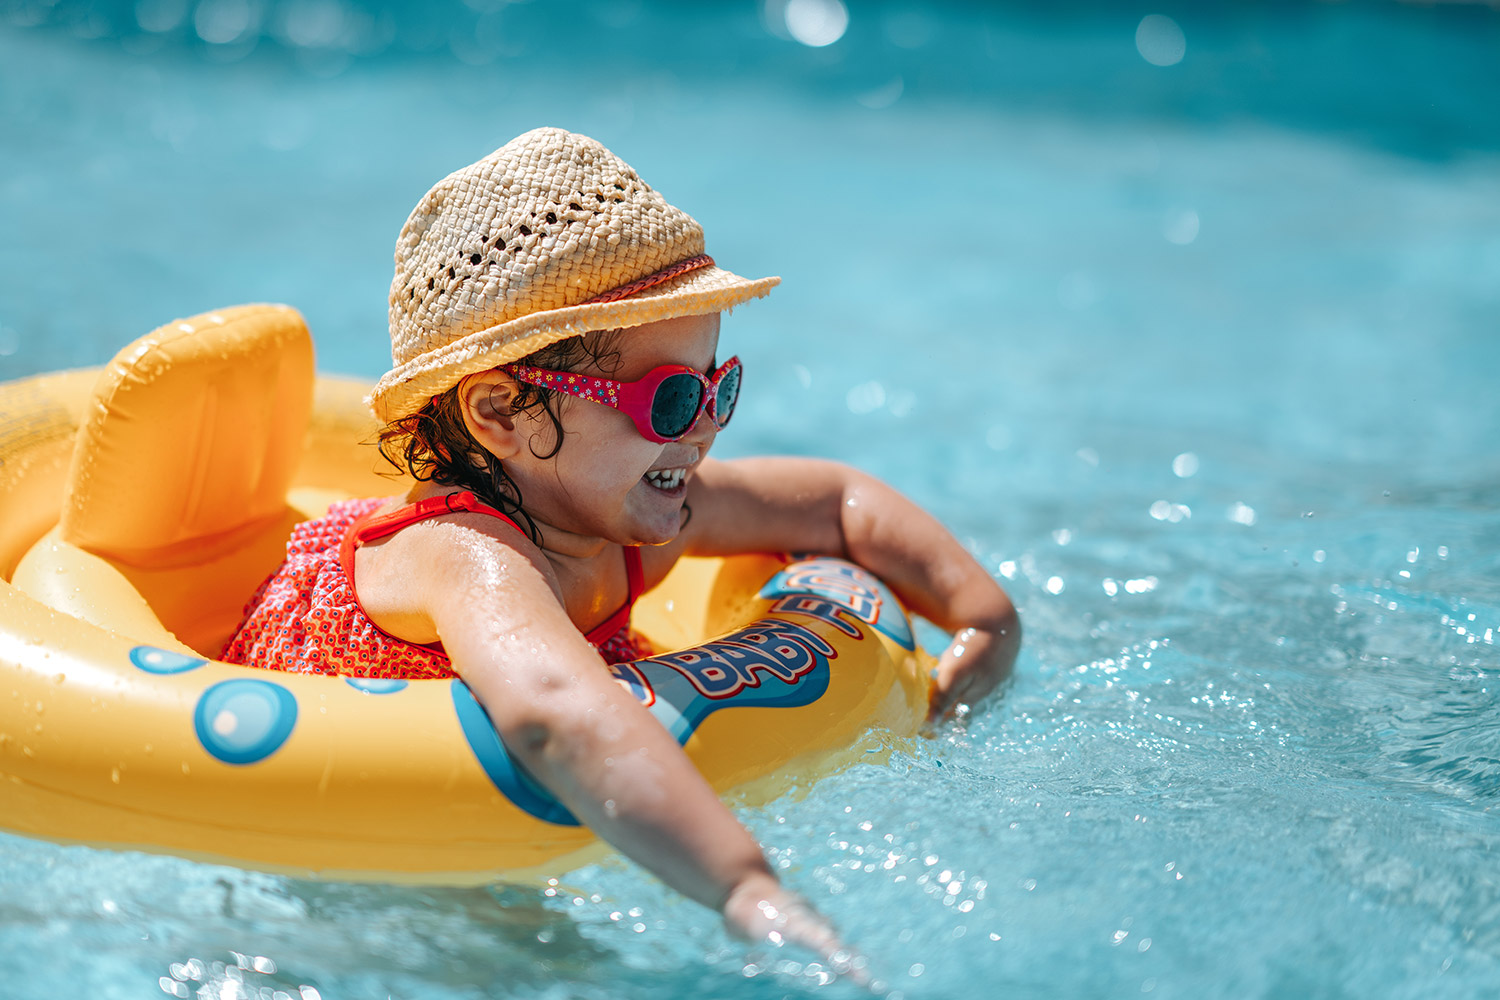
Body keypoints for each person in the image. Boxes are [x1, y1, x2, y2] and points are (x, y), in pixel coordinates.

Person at [224, 127, 1018, 969]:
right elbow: (556, 718)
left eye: (722, 385)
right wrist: (745, 885)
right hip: (335, 820)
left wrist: (983, 619)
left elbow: (832, 501)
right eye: (672, 398)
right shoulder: (463, 554)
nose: (707, 428)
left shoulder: (628, 519)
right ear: (502, 414)